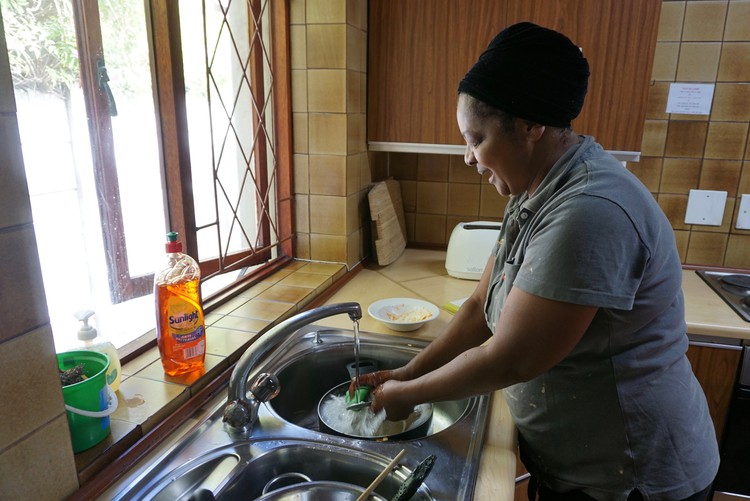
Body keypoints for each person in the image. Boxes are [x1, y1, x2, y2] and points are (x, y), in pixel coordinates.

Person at [352, 22, 719, 501]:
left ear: (530, 126)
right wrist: (407, 374)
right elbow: (478, 309)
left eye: (477, 138)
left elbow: (512, 357)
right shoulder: (536, 191)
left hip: (631, 478)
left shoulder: (588, 210)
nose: (468, 157)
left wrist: (406, 396)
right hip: (578, 465)